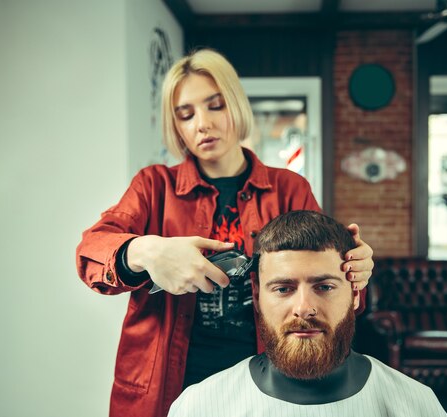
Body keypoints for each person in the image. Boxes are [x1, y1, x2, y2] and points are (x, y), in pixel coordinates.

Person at [75, 49, 374, 417]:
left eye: (215, 106)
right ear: (177, 126)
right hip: (165, 387)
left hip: (264, 385)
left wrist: (355, 266)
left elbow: (325, 275)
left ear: (236, 105)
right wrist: (146, 252)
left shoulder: (289, 189)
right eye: (186, 114)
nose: (202, 124)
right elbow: (91, 252)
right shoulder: (153, 186)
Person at [168, 210, 447, 417]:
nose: (304, 307)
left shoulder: (416, 405)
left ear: (355, 292)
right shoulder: (200, 407)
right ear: (256, 295)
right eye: (283, 289)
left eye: (324, 286)